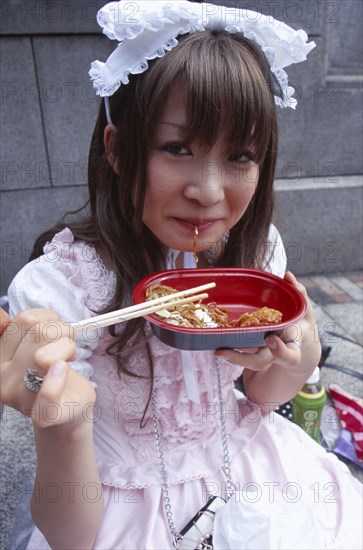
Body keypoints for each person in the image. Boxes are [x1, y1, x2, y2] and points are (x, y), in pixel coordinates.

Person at [4, 1, 362, 548]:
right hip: (120, 508)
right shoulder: (63, 288)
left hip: (253, 471)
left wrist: (298, 357)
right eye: (178, 148)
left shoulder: (255, 251)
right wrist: (64, 422)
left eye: (240, 155)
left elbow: (263, 395)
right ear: (119, 150)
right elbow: (70, 538)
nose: (210, 191)